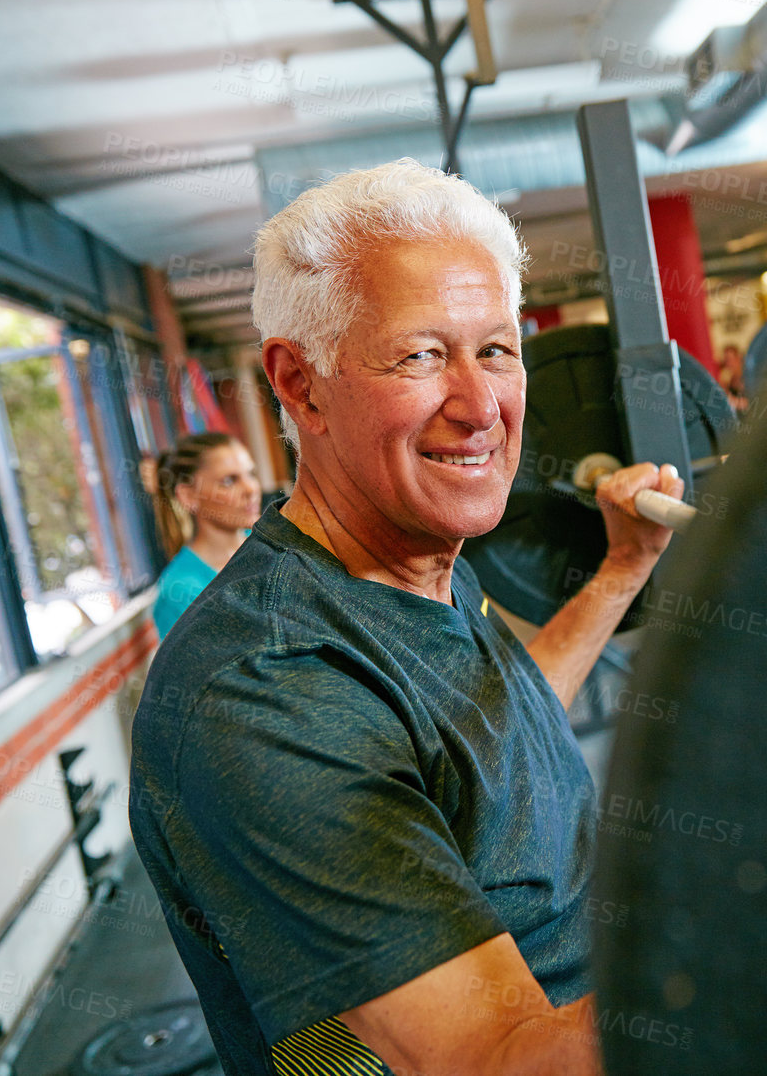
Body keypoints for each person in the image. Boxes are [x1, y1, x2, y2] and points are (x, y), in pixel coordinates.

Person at [129, 158, 682, 1076]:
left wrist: (622, 569)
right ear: (300, 385)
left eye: (497, 350)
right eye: (422, 355)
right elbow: (496, 1061)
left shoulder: (418, 562)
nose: (480, 408)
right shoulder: (262, 690)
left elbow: (487, 729)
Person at [148, 432, 263, 638]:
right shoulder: (178, 592)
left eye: (251, 474)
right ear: (189, 495)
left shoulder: (272, 547)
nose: (251, 488)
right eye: (229, 481)